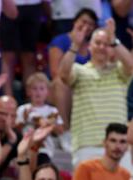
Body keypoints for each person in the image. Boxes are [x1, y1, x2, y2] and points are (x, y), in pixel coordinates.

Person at [58, 18, 133, 169]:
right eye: (98, 43)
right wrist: (75, 45)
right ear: (89, 47)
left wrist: (114, 40)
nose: (102, 47)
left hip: (119, 145)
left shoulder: (119, 71)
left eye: (106, 44)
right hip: (87, 144)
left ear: (112, 48)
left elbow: (131, 65)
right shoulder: (79, 70)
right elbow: (63, 74)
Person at [48, 7, 97, 131]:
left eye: (91, 24)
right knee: (61, 83)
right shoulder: (61, 41)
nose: (86, 26)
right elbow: (55, 72)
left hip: (85, 85)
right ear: (75, 22)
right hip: (62, 85)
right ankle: (65, 129)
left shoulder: (95, 45)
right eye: (83, 22)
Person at [15, 72, 64, 162]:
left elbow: (60, 131)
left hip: (46, 150)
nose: (38, 92)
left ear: (47, 92)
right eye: (34, 89)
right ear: (28, 91)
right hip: (25, 149)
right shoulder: (22, 109)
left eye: (42, 89)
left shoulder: (52, 111)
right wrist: (24, 118)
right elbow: (16, 130)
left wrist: (50, 124)